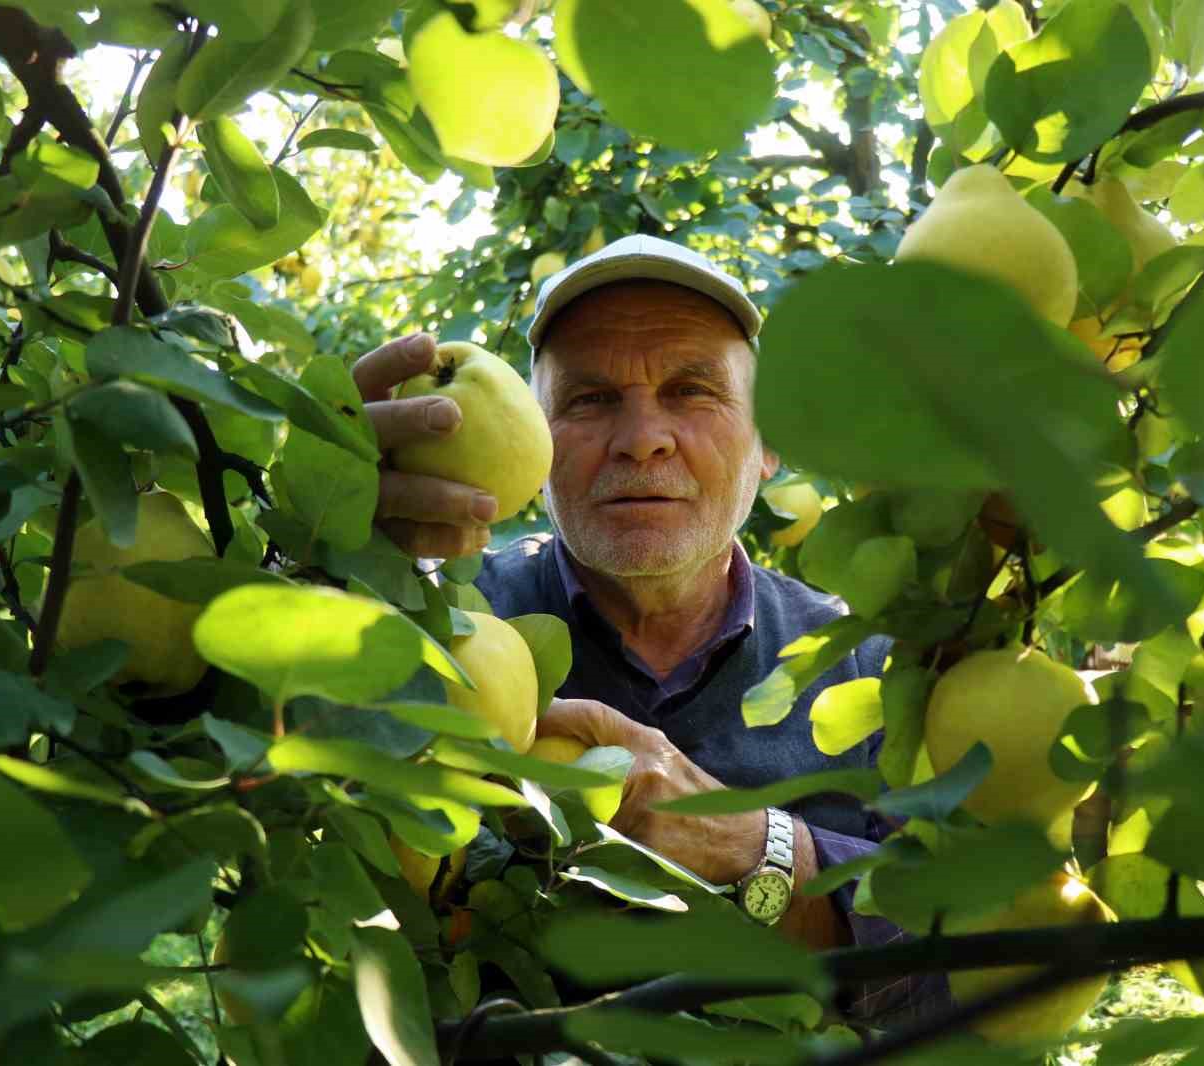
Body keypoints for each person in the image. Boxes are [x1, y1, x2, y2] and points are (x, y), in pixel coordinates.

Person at [353, 236, 948, 1023]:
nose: (642, 438)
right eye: (591, 399)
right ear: (534, 436)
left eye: (692, 391)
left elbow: (969, 984)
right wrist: (332, 567)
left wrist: (758, 850)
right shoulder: (426, 629)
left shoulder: (868, 673)